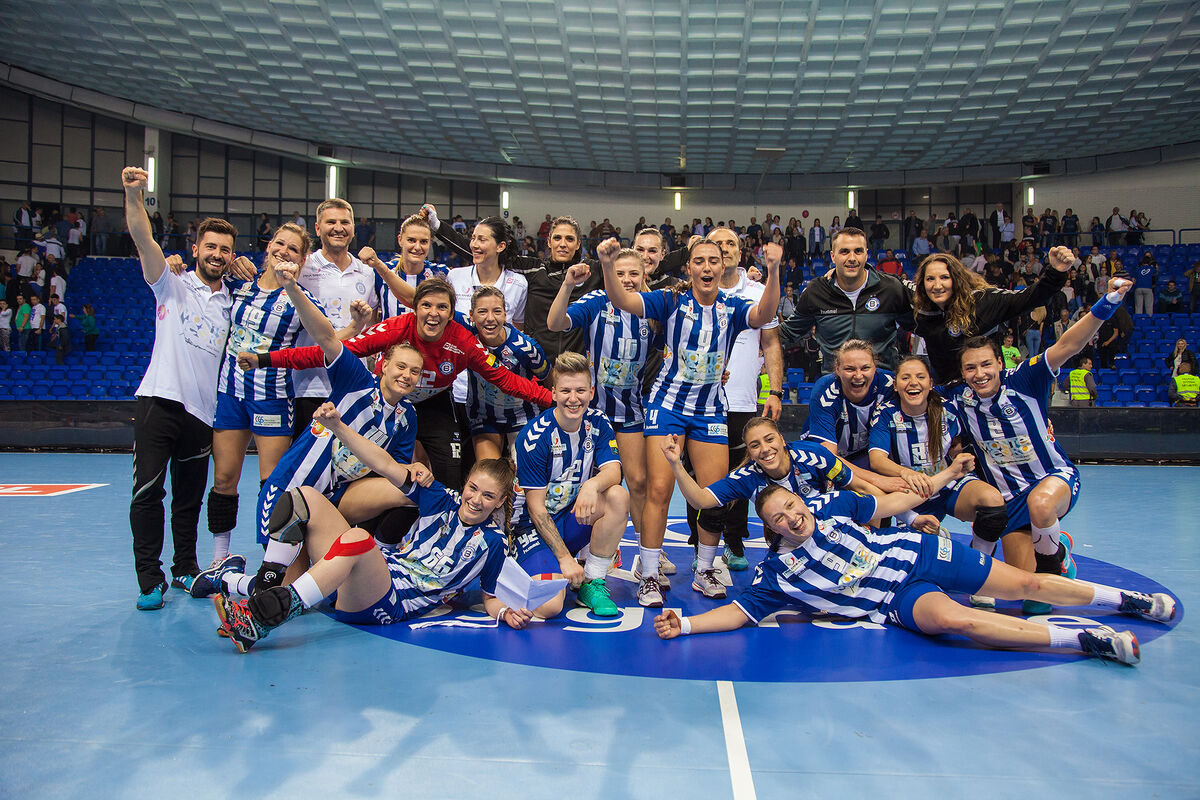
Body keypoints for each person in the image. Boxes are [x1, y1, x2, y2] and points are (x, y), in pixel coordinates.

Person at [653, 483, 1174, 666]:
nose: (790, 518)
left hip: (921, 554)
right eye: (777, 519)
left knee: (1026, 583)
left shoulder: (835, 506)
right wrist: (688, 624)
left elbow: (892, 501)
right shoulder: (779, 575)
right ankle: (1082, 640)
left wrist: (934, 490)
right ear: (771, 529)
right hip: (899, 599)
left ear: (800, 501)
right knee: (959, 621)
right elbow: (737, 612)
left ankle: (1122, 600)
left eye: (791, 506)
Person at [214, 403, 531, 653]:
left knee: (358, 538)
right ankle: (262, 589)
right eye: (473, 488)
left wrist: (506, 613)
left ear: (501, 501)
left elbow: (490, 597)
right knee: (304, 497)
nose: (475, 499)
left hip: (390, 602)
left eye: (488, 496)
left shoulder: (494, 542)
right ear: (466, 483)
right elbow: (384, 464)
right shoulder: (441, 498)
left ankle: (261, 618)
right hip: (371, 576)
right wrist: (337, 427)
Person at [202, 259, 422, 599]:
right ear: (383, 366)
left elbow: (394, 473)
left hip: (332, 504)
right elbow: (324, 337)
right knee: (282, 590)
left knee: (408, 489)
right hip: (287, 494)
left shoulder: (406, 418)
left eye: (415, 372)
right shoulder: (356, 381)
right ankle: (228, 579)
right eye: (401, 367)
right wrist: (291, 287)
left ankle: (384, 555)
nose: (406, 376)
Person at [600, 236, 780, 599]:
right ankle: (649, 573)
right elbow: (624, 300)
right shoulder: (670, 300)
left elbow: (763, 316)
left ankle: (705, 569)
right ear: (689, 268)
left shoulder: (733, 306)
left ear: (723, 266)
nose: (707, 267)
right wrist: (607, 265)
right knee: (659, 491)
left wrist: (774, 270)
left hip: (710, 410)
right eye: (700, 261)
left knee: (713, 496)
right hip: (667, 407)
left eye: (714, 260)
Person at [951, 259, 1133, 607]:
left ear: (1000, 363)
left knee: (1040, 505)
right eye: (970, 368)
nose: (979, 373)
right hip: (1010, 501)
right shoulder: (960, 400)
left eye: (986, 364)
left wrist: (1107, 303)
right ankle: (1057, 551)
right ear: (962, 373)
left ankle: (1053, 566)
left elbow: (1069, 345)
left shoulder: (1025, 379)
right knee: (1033, 603)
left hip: (1053, 480)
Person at [257, 278, 552, 487]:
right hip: (388, 402)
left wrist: (554, 400)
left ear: (452, 314)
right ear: (415, 308)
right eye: (426, 305)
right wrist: (266, 359)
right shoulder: (395, 328)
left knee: (450, 472)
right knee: (376, 469)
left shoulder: (463, 341)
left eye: (442, 308)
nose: (433, 314)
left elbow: (506, 380)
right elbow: (332, 351)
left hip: (435, 402)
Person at [205, 223, 365, 572]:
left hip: (272, 397)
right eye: (280, 244)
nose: (284, 252)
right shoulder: (239, 286)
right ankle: (220, 556)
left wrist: (354, 327)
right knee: (223, 479)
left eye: (294, 249)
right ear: (268, 247)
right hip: (230, 394)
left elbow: (328, 338)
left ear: (303, 259)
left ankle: (273, 563)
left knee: (272, 484)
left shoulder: (300, 297)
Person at [123, 166, 236, 611]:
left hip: (202, 415)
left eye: (224, 249)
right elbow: (143, 239)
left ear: (231, 256)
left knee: (189, 500)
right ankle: (149, 580)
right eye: (210, 246)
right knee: (148, 493)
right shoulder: (170, 285)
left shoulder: (234, 301)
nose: (217, 254)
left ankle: (186, 569)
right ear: (195, 249)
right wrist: (134, 195)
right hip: (159, 401)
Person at [548, 250, 655, 586]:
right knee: (589, 481)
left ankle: (647, 552)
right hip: (591, 412)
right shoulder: (596, 302)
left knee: (637, 481)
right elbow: (554, 323)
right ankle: (589, 549)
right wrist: (568, 285)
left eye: (633, 274)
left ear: (644, 276)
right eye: (620, 273)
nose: (627, 280)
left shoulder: (652, 308)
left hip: (631, 411)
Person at [868, 355, 1009, 603]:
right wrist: (906, 472)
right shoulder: (886, 414)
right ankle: (935, 541)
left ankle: (978, 578)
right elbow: (877, 460)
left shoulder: (948, 410)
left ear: (931, 383)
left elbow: (980, 425)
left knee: (992, 504)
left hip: (947, 485)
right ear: (896, 385)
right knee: (915, 573)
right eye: (905, 377)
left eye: (920, 377)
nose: (913, 382)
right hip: (909, 494)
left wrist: (963, 454)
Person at [510, 352, 630, 617]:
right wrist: (564, 558)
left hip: (571, 517)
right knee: (550, 607)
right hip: (533, 529)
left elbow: (613, 471)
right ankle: (522, 566)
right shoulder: (534, 437)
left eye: (580, 391)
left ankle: (593, 582)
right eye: (565, 391)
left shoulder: (598, 422)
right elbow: (537, 510)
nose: (573, 399)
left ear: (591, 392)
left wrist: (591, 486)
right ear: (553, 393)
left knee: (617, 496)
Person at [424, 205, 599, 362]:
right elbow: (485, 253)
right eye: (557, 238)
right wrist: (438, 226)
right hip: (539, 363)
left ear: (578, 244)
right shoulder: (534, 269)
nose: (562, 244)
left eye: (569, 239)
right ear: (549, 241)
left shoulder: (592, 271)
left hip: (576, 364)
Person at [292, 199, 382, 436]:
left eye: (345, 222)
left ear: (353, 228)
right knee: (307, 456)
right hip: (310, 385)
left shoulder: (367, 272)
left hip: (354, 384)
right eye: (331, 222)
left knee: (350, 457)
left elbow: (372, 324)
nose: (338, 228)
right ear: (317, 228)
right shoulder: (302, 268)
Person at [913, 251, 1069, 384]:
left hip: (987, 392)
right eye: (930, 279)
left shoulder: (983, 302)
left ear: (956, 278)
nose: (937, 285)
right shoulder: (920, 309)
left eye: (944, 277)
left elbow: (1027, 298)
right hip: (948, 397)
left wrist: (1056, 272)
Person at [780, 227, 912, 371]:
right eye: (844, 251)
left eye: (858, 251)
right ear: (833, 256)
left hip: (882, 381)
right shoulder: (817, 292)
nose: (852, 258)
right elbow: (786, 332)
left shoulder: (890, 288)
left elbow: (922, 325)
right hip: (835, 380)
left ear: (866, 254)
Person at [461, 285, 547, 461]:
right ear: (471, 315)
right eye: (482, 311)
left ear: (505, 315)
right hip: (483, 416)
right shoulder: (465, 336)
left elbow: (547, 377)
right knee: (489, 471)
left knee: (522, 471)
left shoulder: (526, 347)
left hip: (523, 415)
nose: (490, 318)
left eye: (497, 311)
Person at [358, 213, 450, 319]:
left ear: (430, 243)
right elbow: (371, 319)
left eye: (424, 241)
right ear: (400, 240)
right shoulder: (378, 274)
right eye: (411, 240)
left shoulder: (441, 273)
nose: (417, 247)